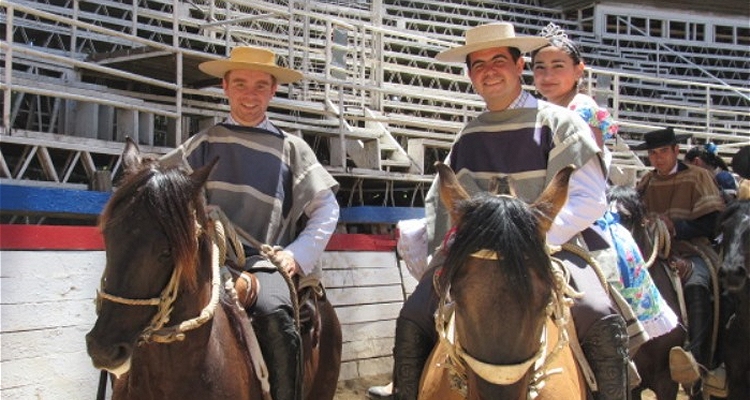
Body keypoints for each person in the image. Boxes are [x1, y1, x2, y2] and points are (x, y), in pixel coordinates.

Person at [371, 22, 628, 400]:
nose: (488, 71)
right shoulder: (468, 134)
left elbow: (590, 198)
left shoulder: (561, 123)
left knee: (598, 313)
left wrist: (530, 242)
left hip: (554, 249)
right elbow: (443, 204)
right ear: (471, 75)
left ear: (519, 64)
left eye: (498, 60)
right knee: (413, 314)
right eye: (478, 64)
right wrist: (445, 253)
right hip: (477, 255)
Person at [161, 46, 340, 400]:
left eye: (261, 85)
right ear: (225, 86)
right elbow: (165, 190)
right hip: (206, 261)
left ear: (273, 90)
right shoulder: (203, 142)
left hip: (262, 264)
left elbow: (326, 209)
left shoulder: (292, 149)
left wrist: (296, 256)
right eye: (240, 83)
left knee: (274, 310)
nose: (250, 94)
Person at [532, 23, 677, 347]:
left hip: (580, 215)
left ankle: (617, 365)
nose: (547, 75)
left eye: (558, 66)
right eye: (539, 68)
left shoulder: (581, 111)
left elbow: (585, 182)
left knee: (600, 302)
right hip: (540, 211)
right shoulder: (540, 111)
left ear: (578, 70)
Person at [633, 127, 725, 396]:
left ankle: (695, 357)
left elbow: (713, 221)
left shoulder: (699, 177)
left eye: (663, 151)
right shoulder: (646, 182)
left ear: (676, 151)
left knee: (697, 283)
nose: (658, 158)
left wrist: (676, 228)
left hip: (691, 249)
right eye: (652, 153)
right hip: (654, 252)